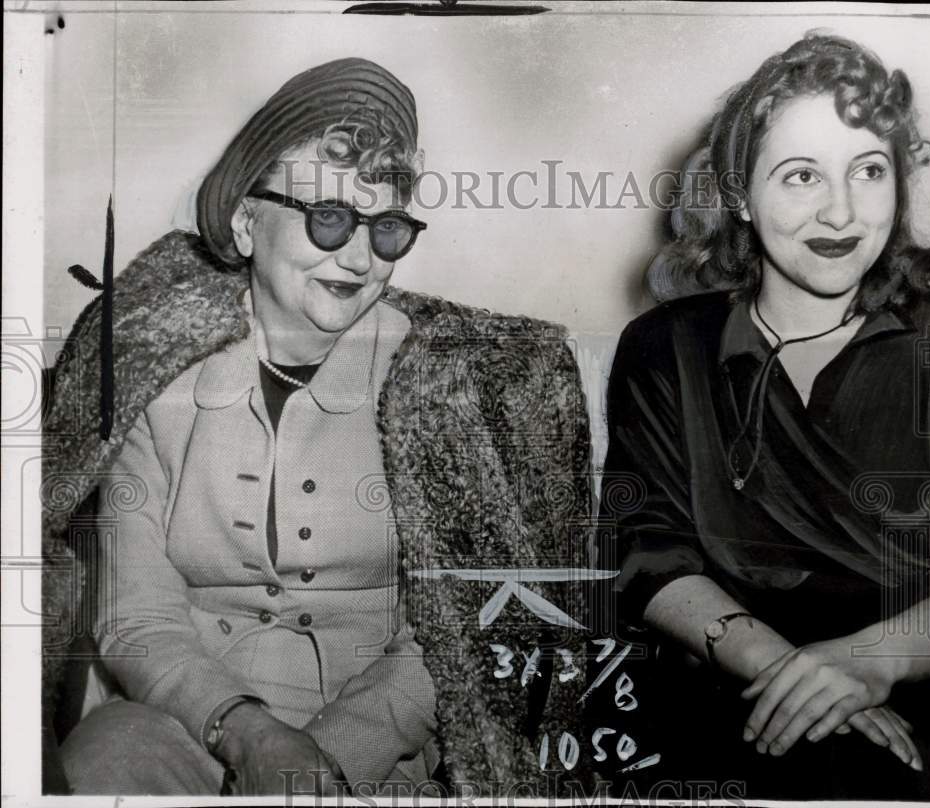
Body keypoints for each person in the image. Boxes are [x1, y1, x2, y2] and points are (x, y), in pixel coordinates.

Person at [46, 57, 592, 796]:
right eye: (329, 216)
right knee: (103, 760)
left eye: (387, 227)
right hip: (184, 724)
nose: (360, 256)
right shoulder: (151, 371)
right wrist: (249, 734)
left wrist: (329, 759)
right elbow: (137, 619)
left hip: (377, 750)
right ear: (246, 221)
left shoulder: (447, 388)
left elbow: (460, 627)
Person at [598, 33, 930, 801]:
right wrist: (791, 673)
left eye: (869, 171)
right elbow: (650, 557)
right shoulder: (662, 348)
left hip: (926, 702)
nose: (841, 211)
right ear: (741, 195)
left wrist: (865, 662)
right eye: (802, 175)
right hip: (730, 692)